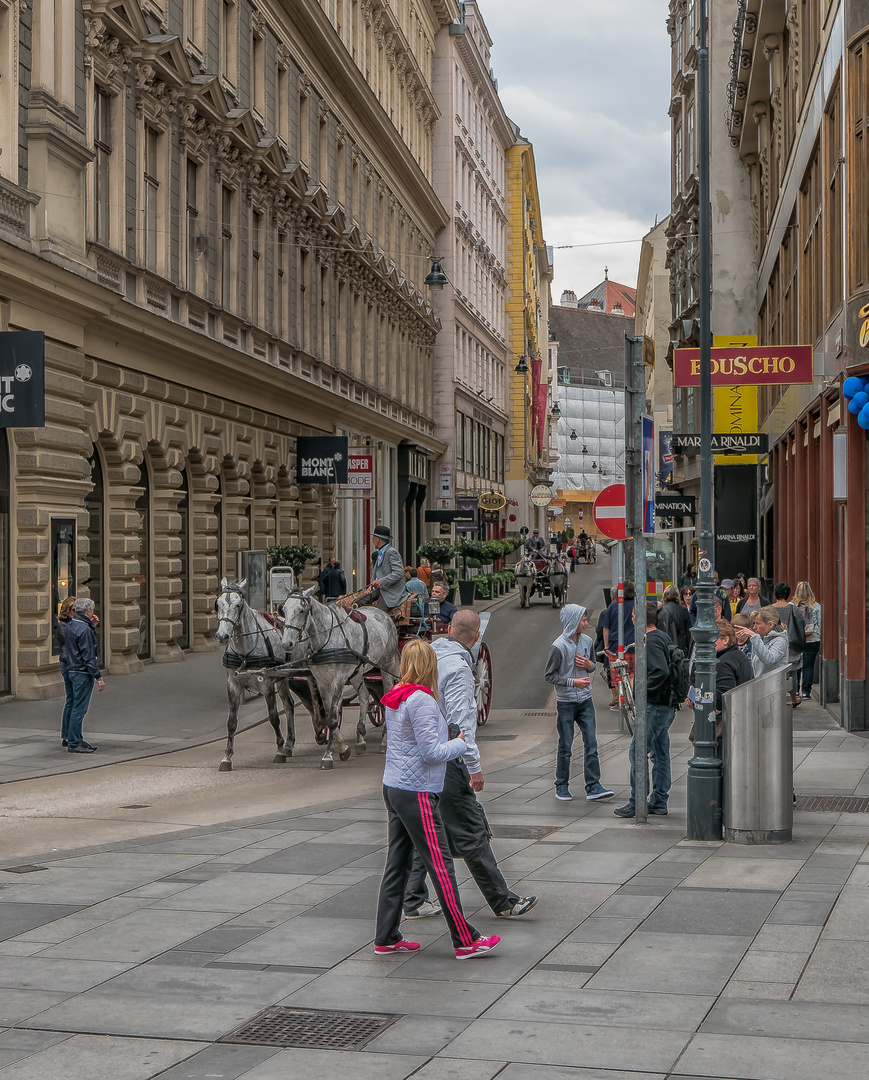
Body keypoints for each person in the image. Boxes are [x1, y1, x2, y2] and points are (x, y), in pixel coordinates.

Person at [403, 611, 538, 921]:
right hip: (448, 759)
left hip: (418, 760)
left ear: (449, 629)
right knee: (471, 830)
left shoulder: (430, 656)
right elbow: (463, 725)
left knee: (427, 832)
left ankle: (413, 899)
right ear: (477, 637)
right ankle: (503, 901)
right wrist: (474, 767)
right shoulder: (460, 669)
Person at [374, 638, 500, 960]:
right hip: (417, 793)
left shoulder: (395, 697)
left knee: (397, 865)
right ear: (429, 666)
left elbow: (409, 743)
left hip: (395, 788)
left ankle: (386, 937)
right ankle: (465, 940)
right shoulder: (423, 701)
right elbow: (431, 753)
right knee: (441, 867)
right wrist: (460, 742)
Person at [545, 604, 615, 803]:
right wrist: (572, 682)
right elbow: (549, 675)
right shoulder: (558, 646)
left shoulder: (587, 641)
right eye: (583, 620)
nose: (586, 623)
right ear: (573, 621)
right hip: (566, 702)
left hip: (585, 700)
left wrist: (589, 665)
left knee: (591, 742)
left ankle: (593, 786)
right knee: (565, 745)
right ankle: (562, 785)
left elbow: (592, 665)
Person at [614, 603, 677, 818]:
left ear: (639, 618)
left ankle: (637, 800)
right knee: (660, 752)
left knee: (637, 751)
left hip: (655, 705)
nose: (631, 618)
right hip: (665, 704)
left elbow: (660, 671)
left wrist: (642, 691)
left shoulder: (649, 641)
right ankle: (659, 801)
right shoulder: (661, 636)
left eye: (633, 615)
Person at [64, 597, 105, 753]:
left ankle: (76, 738)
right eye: (92, 610)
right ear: (88, 611)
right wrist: (98, 677)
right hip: (82, 671)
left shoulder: (72, 625)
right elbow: (89, 655)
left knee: (75, 705)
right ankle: (74, 742)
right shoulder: (85, 629)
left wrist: (92, 625)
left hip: (72, 669)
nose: (93, 612)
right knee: (79, 709)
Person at [602, 581, 635, 709]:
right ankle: (632, 698)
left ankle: (620, 700)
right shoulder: (636, 605)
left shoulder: (613, 606)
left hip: (616, 647)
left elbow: (606, 628)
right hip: (633, 645)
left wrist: (606, 647)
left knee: (617, 676)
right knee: (632, 674)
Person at [772, 583, 806, 706]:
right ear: (788, 594)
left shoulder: (770, 609)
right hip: (790, 644)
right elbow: (802, 622)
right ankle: (793, 698)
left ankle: (776, 696)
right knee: (792, 673)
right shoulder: (793, 609)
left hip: (774, 643)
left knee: (774, 670)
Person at [735, 606, 789, 678]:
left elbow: (769, 659)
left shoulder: (780, 641)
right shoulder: (760, 638)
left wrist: (754, 637)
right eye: (754, 623)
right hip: (760, 684)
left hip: (774, 685)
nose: (754, 627)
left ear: (770, 624)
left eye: (758, 623)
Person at [714, 619, 754, 714]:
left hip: (730, 717)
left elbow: (723, 698)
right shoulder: (738, 655)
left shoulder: (724, 662)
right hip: (743, 712)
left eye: (713, 638)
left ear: (725, 640)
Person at [54, 596, 76, 748]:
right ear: (67, 611)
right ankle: (66, 735)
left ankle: (70, 733)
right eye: (74, 610)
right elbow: (73, 640)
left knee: (75, 700)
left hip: (75, 663)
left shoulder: (76, 623)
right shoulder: (62, 626)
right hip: (68, 664)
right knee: (71, 700)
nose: (76, 613)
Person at [793, 581, 821, 699]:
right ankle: (806, 692)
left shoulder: (793, 606)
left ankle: (796, 690)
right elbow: (819, 624)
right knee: (808, 666)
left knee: (796, 665)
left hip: (797, 639)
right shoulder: (816, 606)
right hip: (812, 639)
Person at [369, 525, 406, 612]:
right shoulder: (381, 553)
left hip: (389, 593)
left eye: (373, 538)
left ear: (377, 539)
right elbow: (377, 572)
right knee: (357, 602)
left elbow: (399, 572)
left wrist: (381, 581)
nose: (372, 541)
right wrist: (372, 585)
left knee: (377, 615)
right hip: (379, 590)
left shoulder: (391, 552)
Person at [658, 584, 691, 655]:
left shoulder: (661, 611)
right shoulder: (683, 610)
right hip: (680, 648)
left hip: (664, 648)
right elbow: (688, 634)